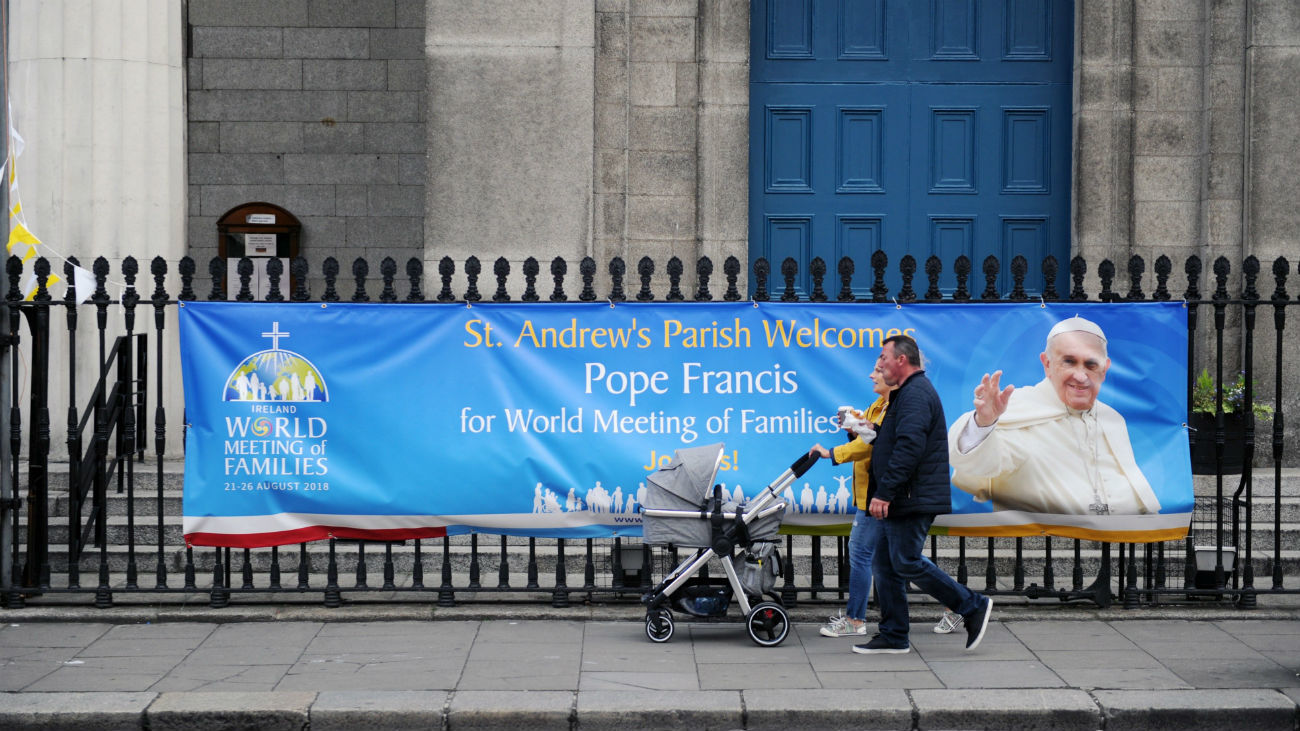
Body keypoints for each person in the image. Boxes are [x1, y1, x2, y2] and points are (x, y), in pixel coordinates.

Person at [855, 334, 992, 655]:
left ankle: (971, 605)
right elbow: (897, 440)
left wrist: (885, 493)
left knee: (905, 560)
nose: (880, 365)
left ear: (901, 360)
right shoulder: (906, 394)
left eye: (884, 358)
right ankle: (893, 634)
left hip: (910, 496)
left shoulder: (915, 394)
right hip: (906, 494)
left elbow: (910, 447)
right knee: (886, 565)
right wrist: (869, 433)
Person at [809, 365, 964, 639]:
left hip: (879, 495)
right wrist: (853, 427)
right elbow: (867, 439)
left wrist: (831, 453)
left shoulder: (895, 407)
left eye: (879, 370)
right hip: (869, 494)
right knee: (902, 557)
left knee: (871, 554)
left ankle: (856, 620)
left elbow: (869, 447)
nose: (872, 375)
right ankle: (957, 603)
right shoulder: (876, 406)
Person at [948, 316, 1160, 516]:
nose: (1080, 376)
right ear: (1047, 363)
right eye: (1069, 361)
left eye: (1091, 364)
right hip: (1045, 543)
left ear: (1104, 369)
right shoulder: (1017, 409)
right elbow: (983, 464)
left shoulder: (1111, 417)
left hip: (1121, 543)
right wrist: (984, 423)